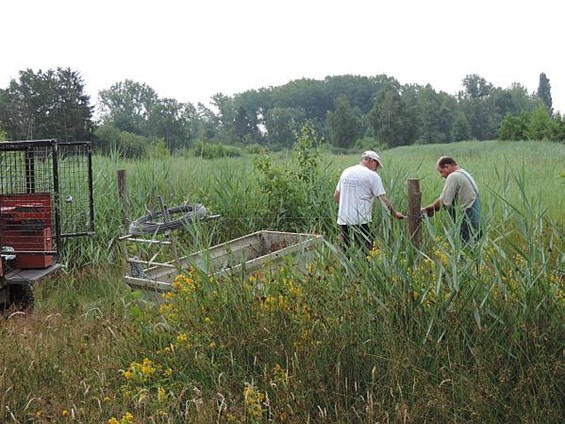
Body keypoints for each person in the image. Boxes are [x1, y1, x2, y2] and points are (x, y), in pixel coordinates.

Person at [333, 150, 404, 252]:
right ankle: (366, 268)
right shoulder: (372, 176)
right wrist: (395, 214)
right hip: (361, 221)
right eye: (376, 166)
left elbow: (336, 196)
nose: (376, 169)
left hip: (343, 220)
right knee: (368, 251)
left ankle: (346, 268)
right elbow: (383, 199)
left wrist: (346, 205)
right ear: (371, 161)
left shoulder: (346, 172)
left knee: (347, 252)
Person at [421, 156, 482, 243]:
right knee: (473, 250)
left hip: (467, 220)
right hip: (477, 220)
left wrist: (425, 210)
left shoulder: (453, 176)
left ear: (447, 167)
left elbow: (443, 202)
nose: (441, 175)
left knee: (465, 249)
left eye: (441, 171)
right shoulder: (464, 173)